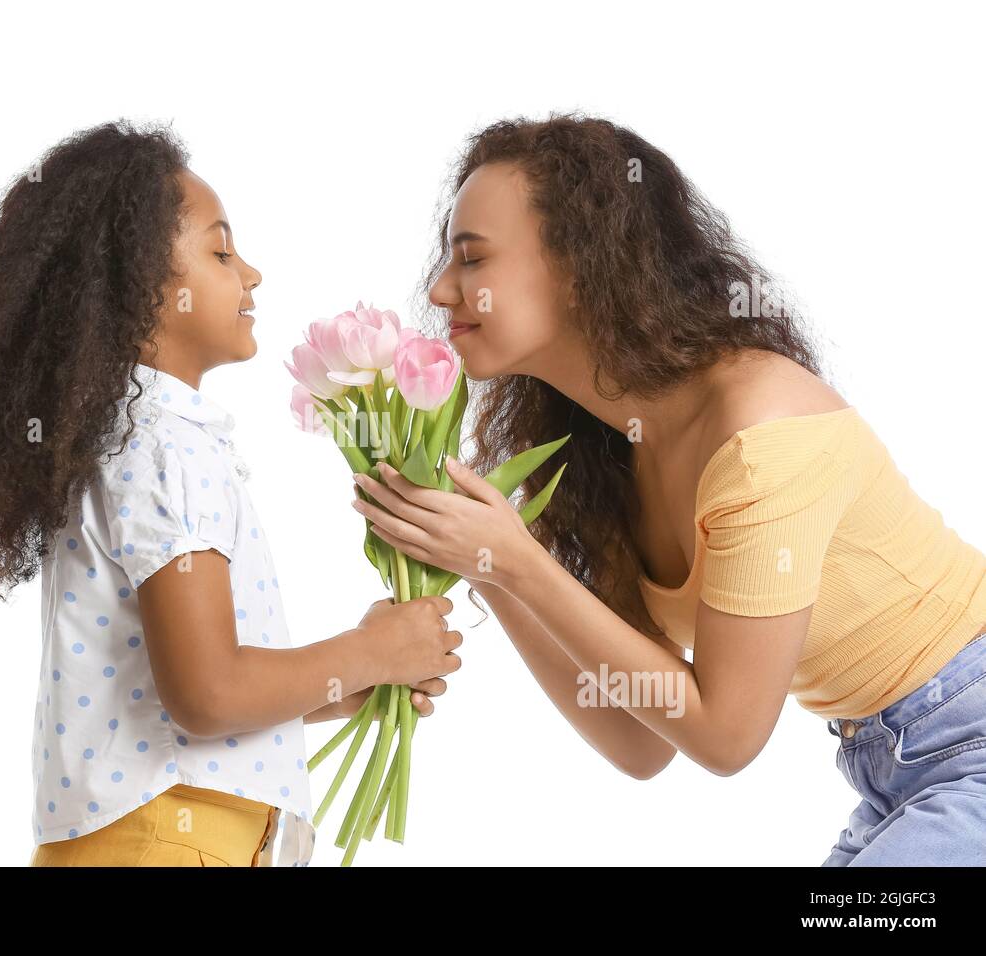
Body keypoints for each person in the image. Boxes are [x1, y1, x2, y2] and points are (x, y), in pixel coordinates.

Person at [349, 113, 986, 865]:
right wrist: (489, 568)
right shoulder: (610, 453)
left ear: (582, 266)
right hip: (895, 771)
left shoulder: (760, 433)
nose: (440, 287)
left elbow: (726, 736)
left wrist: (515, 560)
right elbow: (642, 742)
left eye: (473, 259)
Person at [0, 120, 460, 866]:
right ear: (135, 290)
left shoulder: (137, 440)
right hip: (168, 842)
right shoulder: (165, 449)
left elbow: (190, 694)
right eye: (221, 251)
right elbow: (207, 694)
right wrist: (366, 650)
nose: (250, 273)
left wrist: (351, 677)